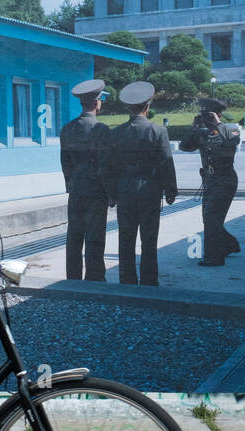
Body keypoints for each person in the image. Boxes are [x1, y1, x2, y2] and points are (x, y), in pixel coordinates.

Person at [104, 81, 177, 286]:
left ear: (128, 107)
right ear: (148, 105)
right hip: (149, 189)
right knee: (149, 238)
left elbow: (108, 166)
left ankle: (127, 280)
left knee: (125, 238)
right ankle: (149, 281)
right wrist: (170, 189)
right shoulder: (158, 131)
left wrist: (111, 192)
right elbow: (166, 163)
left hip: (125, 189)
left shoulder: (116, 132)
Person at [59, 79, 114, 281]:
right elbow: (106, 165)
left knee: (74, 234)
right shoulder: (102, 130)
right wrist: (110, 193)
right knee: (95, 235)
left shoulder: (67, 128)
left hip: (76, 188)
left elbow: (65, 162)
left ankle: (72, 278)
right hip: (96, 189)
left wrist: (70, 185)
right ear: (97, 101)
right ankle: (95, 277)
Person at [179, 96, 241, 267]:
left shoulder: (230, 130)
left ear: (218, 114)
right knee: (210, 219)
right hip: (209, 180)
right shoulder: (202, 133)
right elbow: (184, 147)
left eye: (209, 115)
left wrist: (218, 124)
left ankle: (214, 258)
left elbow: (231, 143)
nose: (206, 119)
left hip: (225, 180)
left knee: (212, 218)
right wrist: (194, 129)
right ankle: (229, 244)